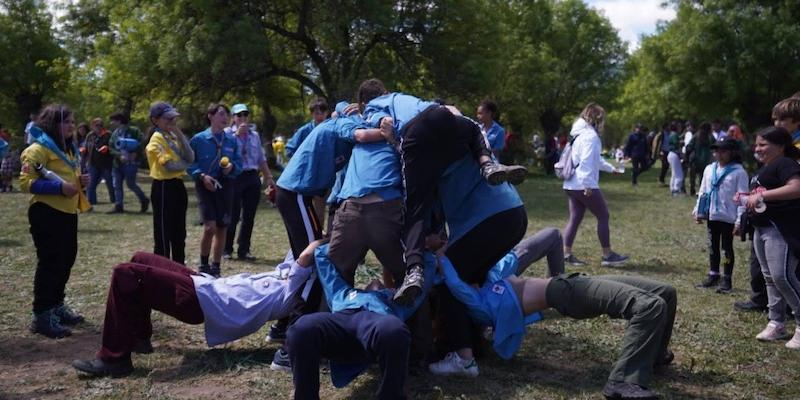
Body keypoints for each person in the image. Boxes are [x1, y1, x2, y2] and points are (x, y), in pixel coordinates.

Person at [435, 231, 676, 400]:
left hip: (574, 282)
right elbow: (454, 284)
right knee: (649, 306)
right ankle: (623, 381)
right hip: (566, 294)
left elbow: (517, 250)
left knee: (665, 293)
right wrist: (439, 255)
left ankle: (653, 356)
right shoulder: (479, 305)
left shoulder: (494, 277)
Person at [358, 78, 527, 304]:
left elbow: (384, 127)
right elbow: (452, 115)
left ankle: (414, 269)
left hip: (484, 222)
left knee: (415, 212)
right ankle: (488, 165)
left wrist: (390, 138)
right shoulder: (417, 104)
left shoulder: (377, 109)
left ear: (364, 102)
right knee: (473, 129)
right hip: (516, 215)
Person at [71, 241, 321, 378]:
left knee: (125, 274)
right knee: (140, 258)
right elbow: (298, 246)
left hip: (203, 302)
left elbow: (305, 256)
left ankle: (114, 359)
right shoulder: (294, 275)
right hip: (206, 285)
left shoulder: (298, 289)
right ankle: (138, 338)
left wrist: (326, 238)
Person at [268, 102, 388, 368]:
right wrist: (389, 133)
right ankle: (290, 348)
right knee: (314, 264)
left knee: (309, 262)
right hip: (296, 194)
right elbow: (360, 134)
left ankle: (283, 329)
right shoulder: (348, 123)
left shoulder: (343, 122)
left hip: (300, 195)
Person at [287, 242, 437, 400]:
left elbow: (427, 266)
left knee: (393, 328)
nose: (376, 280)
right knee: (301, 328)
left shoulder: (397, 301)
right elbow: (321, 255)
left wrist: (397, 243)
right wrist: (358, 241)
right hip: (339, 323)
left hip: (376, 326)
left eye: (382, 284)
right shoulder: (342, 292)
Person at [19, 104, 92, 338]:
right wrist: (59, 188)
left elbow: (69, 178)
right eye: (66, 121)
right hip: (46, 213)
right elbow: (25, 183)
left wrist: (80, 182)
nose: (71, 126)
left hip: (67, 213)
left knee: (66, 259)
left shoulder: (68, 149)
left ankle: (57, 305)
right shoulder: (37, 149)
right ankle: (42, 315)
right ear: (52, 124)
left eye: (72, 122)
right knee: (50, 263)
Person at [745, 126, 800, 348]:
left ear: (780, 146)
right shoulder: (764, 168)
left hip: (779, 229)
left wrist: (763, 195)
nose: (757, 149)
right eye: (756, 144)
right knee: (769, 277)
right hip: (761, 229)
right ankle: (776, 322)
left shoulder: (785, 163)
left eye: (763, 144)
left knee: (782, 276)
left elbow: (796, 188)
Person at [561, 103, 627, 267]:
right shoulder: (591, 136)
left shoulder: (579, 134)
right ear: (596, 119)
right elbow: (586, 162)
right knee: (603, 216)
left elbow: (595, 159)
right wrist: (587, 184)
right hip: (583, 184)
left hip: (571, 184)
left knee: (575, 218)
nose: (603, 123)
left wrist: (611, 169)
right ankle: (607, 255)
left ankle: (565, 254)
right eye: (602, 119)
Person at [187, 103, 243, 277]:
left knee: (222, 227)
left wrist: (231, 168)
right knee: (209, 227)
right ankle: (204, 264)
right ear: (210, 116)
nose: (225, 117)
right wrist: (201, 176)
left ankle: (216, 267)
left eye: (226, 114)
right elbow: (189, 163)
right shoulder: (198, 139)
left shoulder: (231, 140)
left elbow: (239, 163)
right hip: (205, 185)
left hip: (225, 186)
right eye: (220, 114)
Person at [692, 138, 749, 293]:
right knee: (712, 246)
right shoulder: (709, 169)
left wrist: (739, 220)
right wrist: (698, 210)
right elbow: (703, 191)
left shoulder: (739, 172)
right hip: (712, 214)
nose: (719, 154)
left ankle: (727, 278)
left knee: (726, 248)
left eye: (723, 151)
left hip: (729, 217)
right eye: (716, 150)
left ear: (732, 152)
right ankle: (713, 274)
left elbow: (743, 197)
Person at [223, 103, 275, 261]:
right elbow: (225, 154)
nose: (243, 118)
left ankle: (244, 249)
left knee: (249, 215)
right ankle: (226, 249)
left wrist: (268, 177)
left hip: (252, 175)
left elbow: (260, 158)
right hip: (235, 175)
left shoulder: (254, 135)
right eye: (239, 115)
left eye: (245, 115)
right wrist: (237, 135)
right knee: (233, 214)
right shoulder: (227, 134)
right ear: (233, 118)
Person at [145, 101, 194, 265]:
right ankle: (162, 269)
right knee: (163, 233)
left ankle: (179, 267)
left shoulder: (173, 136)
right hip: (163, 187)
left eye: (173, 118)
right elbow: (170, 166)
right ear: (155, 120)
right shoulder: (156, 140)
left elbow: (190, 156)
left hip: (178, 186)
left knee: (179, 232)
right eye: (167, 119)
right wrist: (186, 164)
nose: (172, 122)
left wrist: (180, 134)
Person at [108, 112, 149, 214]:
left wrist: (135, 153)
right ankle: (119, 206)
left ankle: (144, 199)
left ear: (119, 121)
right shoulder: (114, 134)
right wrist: (119, 155)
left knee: (131, 184)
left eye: (113, 121)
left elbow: (141, 142)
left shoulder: (134, 131)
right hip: (118, 163)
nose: (111, 123)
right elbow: (111, 148)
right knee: (117, 185)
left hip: (131, 163)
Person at [84, 117, 116, 206]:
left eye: (101, 125)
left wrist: (107, 148)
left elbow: (114, 147)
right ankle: (91, 202)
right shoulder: (90, 135)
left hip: (106, 164)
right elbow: (86, 148)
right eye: (96, 125)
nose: (99, 127)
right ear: (92, 126)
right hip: (92, 163)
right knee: (91, 184)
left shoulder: (108, 134)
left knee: (110, 183)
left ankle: (115, 201)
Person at [685, 122, 713, 196]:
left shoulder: (696, 136)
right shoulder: (710, 137)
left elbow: (689, 147)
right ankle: (702, 192)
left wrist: (687, 158)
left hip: (695, 160)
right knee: (702, 178)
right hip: (705, 161)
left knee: (693, 177)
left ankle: (693, 191)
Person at [667, 123, 684, 196]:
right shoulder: (675, 135)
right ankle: (676, 190)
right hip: (674, 154)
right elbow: (677, 145)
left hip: (670, 154)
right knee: (679, 174)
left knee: (674, 173)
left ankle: (672, 188)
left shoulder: (671, 134)